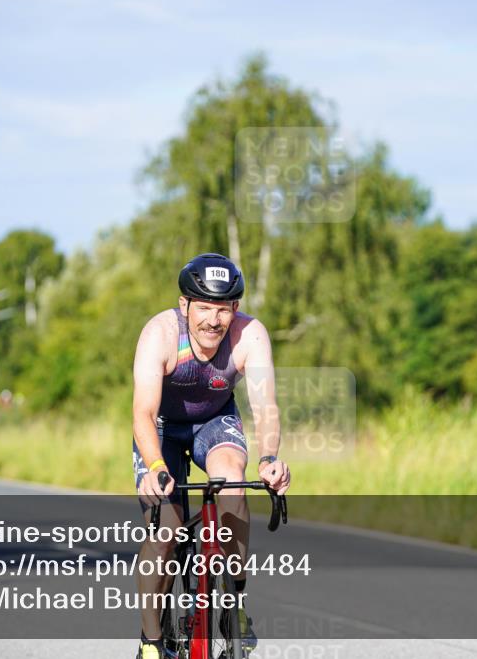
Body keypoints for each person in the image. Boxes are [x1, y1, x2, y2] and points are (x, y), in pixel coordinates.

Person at [132, 253, 291, 659]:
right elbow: (143, 414)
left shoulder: (250, 335)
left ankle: (234, 603)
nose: (212, 320)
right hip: (163, 428)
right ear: (184, 305)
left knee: (233, 487)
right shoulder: (160, 334)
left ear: (235, 308)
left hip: (214, 421)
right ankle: (151, 642)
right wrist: (154, 468)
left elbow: (266, 406)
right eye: (203, 307)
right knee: (165, 529)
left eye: (223, 310)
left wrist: (270, 457)